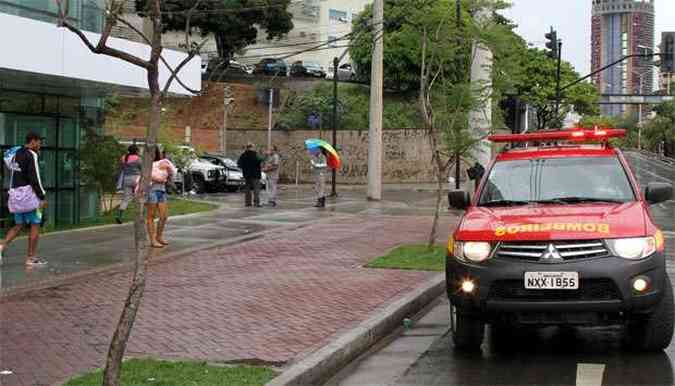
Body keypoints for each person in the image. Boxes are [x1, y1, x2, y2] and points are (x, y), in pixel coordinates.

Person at [0, 132, 48, 266]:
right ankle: (31, 258)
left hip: (16, 195)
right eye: (39, 142)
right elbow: (35, 177)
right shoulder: (31, 155)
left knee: (18, 225)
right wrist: (42, 197)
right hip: (30, 196)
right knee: (35, 225)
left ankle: (1, 246)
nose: (40, 145)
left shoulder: (17, 153)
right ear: (33, 141)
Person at [146, 147, 177, 248]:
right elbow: (146, 177)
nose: (152, 155)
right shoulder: (147, 165)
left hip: (162, 190)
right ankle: (152, 240)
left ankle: (159, 236)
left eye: (154, 153)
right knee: (151, 216)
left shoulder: (162, 163)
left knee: (164, 216)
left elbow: (171, 174)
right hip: (152, 190)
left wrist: (168, 170)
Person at [115, 144, 142, 224]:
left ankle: (119, 216)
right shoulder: (138, 159)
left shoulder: (124, 158)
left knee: (126, 198)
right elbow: (142, 168)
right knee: (139, 197)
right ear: (136, 151)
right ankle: (139, 216)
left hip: (126, 179)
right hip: (136, 179)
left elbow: (121, 168)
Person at [238, 143, 263, 207]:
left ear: (247, 147)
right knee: (256, 189)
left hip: (246, 175)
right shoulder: (256, 154)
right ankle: (256, 203)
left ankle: (248, 203)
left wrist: (245, 168)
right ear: (252, 147)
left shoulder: (243, 155)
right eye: (254, 147)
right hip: (255, 174)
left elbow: (239, 164)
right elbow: (261, 160)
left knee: (247, 189)